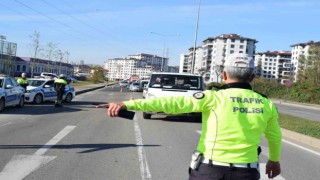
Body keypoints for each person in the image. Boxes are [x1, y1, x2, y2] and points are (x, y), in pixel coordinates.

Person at [96, 53, 282, 180]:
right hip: (246, 173)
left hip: (209, 171)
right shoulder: (266, 103)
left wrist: (128, 104)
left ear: (224, 75)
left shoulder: (213, 97)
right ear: (253, 77)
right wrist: (274, 160)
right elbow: (274, 136)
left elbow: (169, 103)